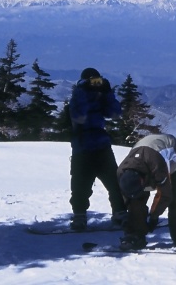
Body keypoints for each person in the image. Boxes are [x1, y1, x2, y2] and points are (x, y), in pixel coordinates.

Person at [116, 133, 176, 251]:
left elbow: (165, 195)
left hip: (173, 153)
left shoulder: (157, 167)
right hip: (146, 156)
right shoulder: (121, 173)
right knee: (136, 201)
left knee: (174, 197)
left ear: (142, 180)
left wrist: (154, 217)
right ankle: (136, 235)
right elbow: (129, 198)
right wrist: (133, 222)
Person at [68, 67, 127, 231]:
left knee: (115, 182)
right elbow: (79, 117)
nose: (95, 83)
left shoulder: (100, 96)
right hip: (83, 146)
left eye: (97, 80)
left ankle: (120, 213)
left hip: (101, 144)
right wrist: (83, 92)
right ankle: (79, 216)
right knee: (81, 184)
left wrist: (107, 93)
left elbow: (115, 114)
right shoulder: (77, 96)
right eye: (92, 81)